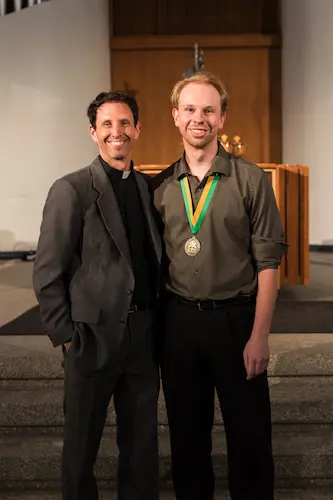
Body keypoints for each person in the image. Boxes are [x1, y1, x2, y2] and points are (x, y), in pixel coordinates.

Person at [152, 71, 288, 500]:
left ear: (222, 118)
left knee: (249, 443)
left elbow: (268, 264)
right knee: (187, 444)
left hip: (236, 322)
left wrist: (260, 336)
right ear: (175, 117)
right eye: (190, 109)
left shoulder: (252, 180)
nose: (199, 118)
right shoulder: (159, 188)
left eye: (209, 110)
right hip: (179, 327)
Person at [33, 91, 162, 500]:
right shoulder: (70, 189)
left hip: (141, 337)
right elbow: (47, 270)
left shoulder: (148, 187)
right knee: (80, 452)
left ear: (137, 129)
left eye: (124, 123)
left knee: (141, 451)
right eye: (107, 124)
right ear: (93, 132)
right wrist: (67, 337)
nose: (116, 132)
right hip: (90, 338)